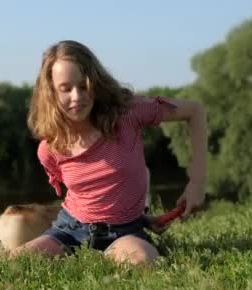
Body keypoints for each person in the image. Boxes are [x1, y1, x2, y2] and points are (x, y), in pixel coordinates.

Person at [11, 40, 207, 265]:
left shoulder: (127, 114)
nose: (76, 97)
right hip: (69, 230)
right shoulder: (49, 149)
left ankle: (107, 255)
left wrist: (197, 184)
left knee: (142, 260)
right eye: (65, 89)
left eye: (83, 86)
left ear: (96, 83)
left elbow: (195, 111)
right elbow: (92, 196)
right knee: (14, 263)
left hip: (124, 232)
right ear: (51, 94)